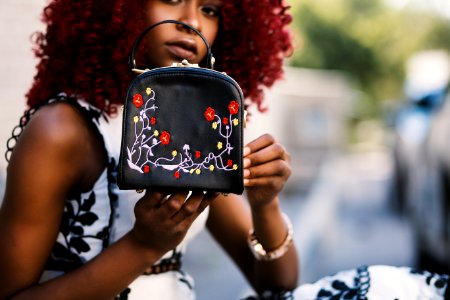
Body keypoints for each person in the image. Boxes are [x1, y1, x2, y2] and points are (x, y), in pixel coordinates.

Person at [0, 0, 298, 299]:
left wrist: (265, 204)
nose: (192, 22)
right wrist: (144, 245)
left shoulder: (194, 132)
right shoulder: (60, 130)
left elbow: (277, 286)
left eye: (210, 10)